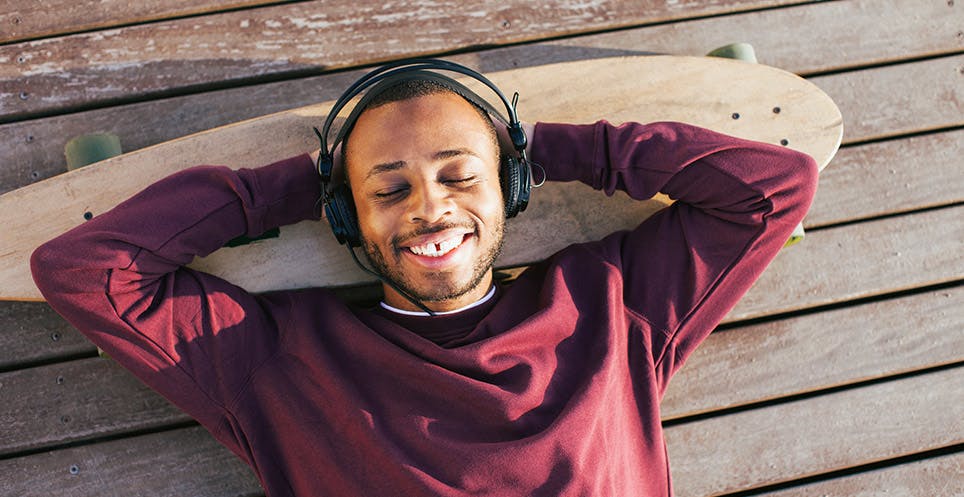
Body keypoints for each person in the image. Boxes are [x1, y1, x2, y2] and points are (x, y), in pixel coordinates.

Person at [31, 59, 818, 497]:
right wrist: (302, 186)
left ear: (507, 187)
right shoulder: (275, 358)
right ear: (347, 217)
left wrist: (540, 147)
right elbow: (82, 270)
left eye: (459, 175)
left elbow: (772, 189)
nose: (430, 209)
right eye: (389, 188)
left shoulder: (612, 304)